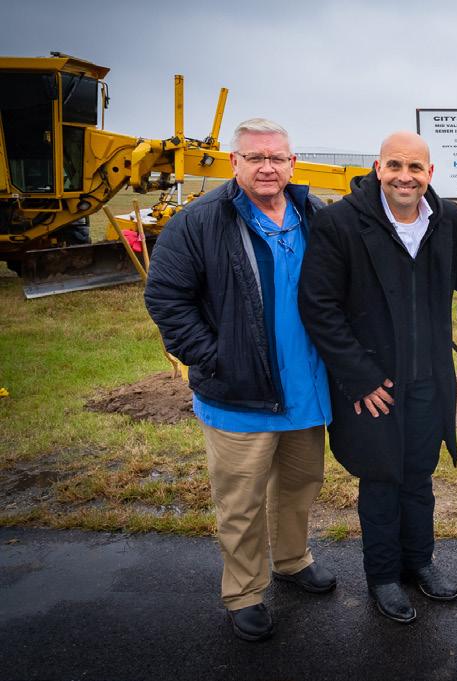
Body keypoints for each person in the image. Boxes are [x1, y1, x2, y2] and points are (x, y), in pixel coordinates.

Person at [145, 118, 335, 642]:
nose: (267, 167)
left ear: (292, 162)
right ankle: (245, 592)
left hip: (304, 389)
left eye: (276, 157)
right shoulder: (199, 221)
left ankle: (292, 560)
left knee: (300, 485)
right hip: (238, 394)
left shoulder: (314, 213)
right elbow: (166, 297)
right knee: (241, 502)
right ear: (235, 163)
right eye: (255, 157)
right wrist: (214, 357)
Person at [298, 131, 457, 624]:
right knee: (381, 478)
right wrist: (360, 377)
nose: (404, 177)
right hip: (374, 384)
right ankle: (384, 577)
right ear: (377, 168)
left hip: (429, 378)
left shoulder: (447, 219)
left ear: (430, 173)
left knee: (419, 475)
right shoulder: (340, 222)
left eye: (415, 168)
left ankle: (420, 562)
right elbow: (319, 306)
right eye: (394, 166)